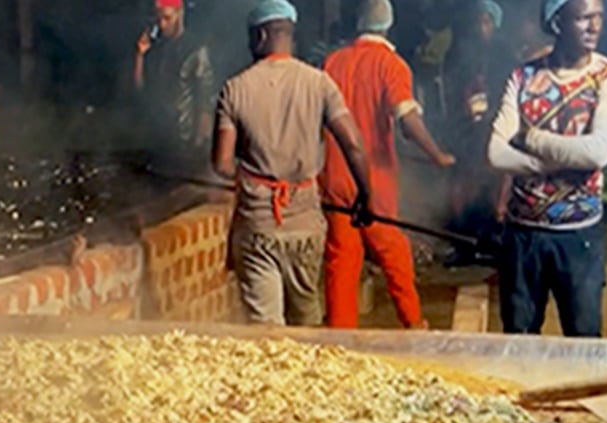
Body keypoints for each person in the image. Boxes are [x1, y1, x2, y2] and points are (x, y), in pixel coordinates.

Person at [211, 0, 373, 327]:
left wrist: (248, 170)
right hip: (305, 224)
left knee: (265, 327)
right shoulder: (320, 83)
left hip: (258, 227)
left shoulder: (234, 89)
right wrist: (365, 196)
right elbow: (354, 144)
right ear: (290, 34)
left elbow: (221, 163)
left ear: (259, 36)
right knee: (307, 318)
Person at [487, 0, 607, 337]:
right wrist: (557, 163)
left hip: (579, 237)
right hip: (524, 236)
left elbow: (597, 153)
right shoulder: (523, 76)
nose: (594, 27)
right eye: (583, 18)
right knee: (519, 340)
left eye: (598, 17)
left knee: (584, 342)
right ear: (557, 21)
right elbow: (494, 153)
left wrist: (530, 137)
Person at [319, 0, 455, 330]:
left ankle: (341, 336)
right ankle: (413, 323)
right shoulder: (391, 64)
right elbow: (407, 119)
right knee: (392, 251)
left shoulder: (332, 62)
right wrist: (437, 154)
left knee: (341, 260)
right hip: (374, 178)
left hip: (334, 174)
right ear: (388, 25)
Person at [443, 0, 504, 238]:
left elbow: (506, 90)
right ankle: (460, 227)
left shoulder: (503, 53)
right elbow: (453, 86)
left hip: (495, 124)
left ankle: (494, 223)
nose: (481, 26)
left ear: (495, 25)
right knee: (463, 171)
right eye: (478, 20)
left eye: (487, 21)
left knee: (495, 172)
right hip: (465, 125)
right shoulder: (460, 51)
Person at [133, 0, 215, 170]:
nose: (161, 25)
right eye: (157, 20)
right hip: (158, 135)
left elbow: (205, 101)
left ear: (180, 14)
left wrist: (198, 142)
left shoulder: (196, 49)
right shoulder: (155, 49)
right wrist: (140, 56)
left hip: (184, 137)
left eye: (167, 18)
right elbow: (139, 90)